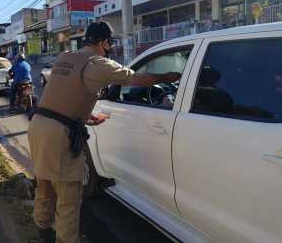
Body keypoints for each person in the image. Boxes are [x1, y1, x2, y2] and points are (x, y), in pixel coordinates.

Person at [28, 22, 181, 243]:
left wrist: (87, 117)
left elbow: (65, 96)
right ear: (103, 43)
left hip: (39, 125)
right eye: (110, 42)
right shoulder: (98, 64)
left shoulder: (66, 57)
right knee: (68, 199)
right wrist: (166, 77)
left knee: (44, 185)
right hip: (58, 135)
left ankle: (42, 232)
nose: (110, 47)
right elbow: (134, 78)